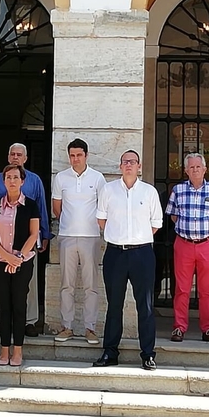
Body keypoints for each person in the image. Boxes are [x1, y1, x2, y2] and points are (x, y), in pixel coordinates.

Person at [92, 150, 162, 370]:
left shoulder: (149, 192)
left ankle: (148, 354)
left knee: (146, 306)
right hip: (115, 253)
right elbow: (101, 220)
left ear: (139, 166)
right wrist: (120, 238)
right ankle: (110, 352)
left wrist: (137, 239)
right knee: (114, 305)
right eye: (125, 162)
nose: (129, 165)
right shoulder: (108, 190)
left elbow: (156, 224)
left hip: (142, 254)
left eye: (133, 162)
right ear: (120, 166)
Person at [0, 143, 50, 337]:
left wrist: (44, 234)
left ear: (25, 158)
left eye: (19, 154)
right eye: (12, 154)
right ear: (8, 157)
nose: (15, 157)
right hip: (2, 241)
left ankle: (29, 321)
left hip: (28, 241)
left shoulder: (35, 180)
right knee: (2, 286)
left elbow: (41, 205)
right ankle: (1, 321)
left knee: (27, 283)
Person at [166, 153, 209, 344]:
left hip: (207, 244)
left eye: (198, 167)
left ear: (205, 169)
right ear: (185, 170)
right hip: (183, 244)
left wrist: (204, 232)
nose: (195, 170)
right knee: (181, 289)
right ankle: (179, 327)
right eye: (191, 167)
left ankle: (208, 329)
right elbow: (173, 215)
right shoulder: (178, 190)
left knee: (206, 291)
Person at [51, 138, 106, 344]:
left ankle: (90, 328)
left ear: (86, 155)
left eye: (79, 155)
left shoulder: (98, 178)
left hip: (91, 237)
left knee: (91, 285)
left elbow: (103, 207)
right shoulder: (61, 178)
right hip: (67, 236)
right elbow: (57, 207)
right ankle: (67, 327)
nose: (75, 159)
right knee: (67, 284)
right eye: (72, 155)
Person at [0, 165, 40, 367]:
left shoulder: (31, 205)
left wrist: (17, 257)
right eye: (8, 177)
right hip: (1, 262)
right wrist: (7, 257)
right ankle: (4, 350)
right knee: (4, 305)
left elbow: (33, 234)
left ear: (22, 181)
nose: (12, 181)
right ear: (3, 180)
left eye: (15, 177)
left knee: (19, 305)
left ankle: (17, 350)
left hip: (22, 262)